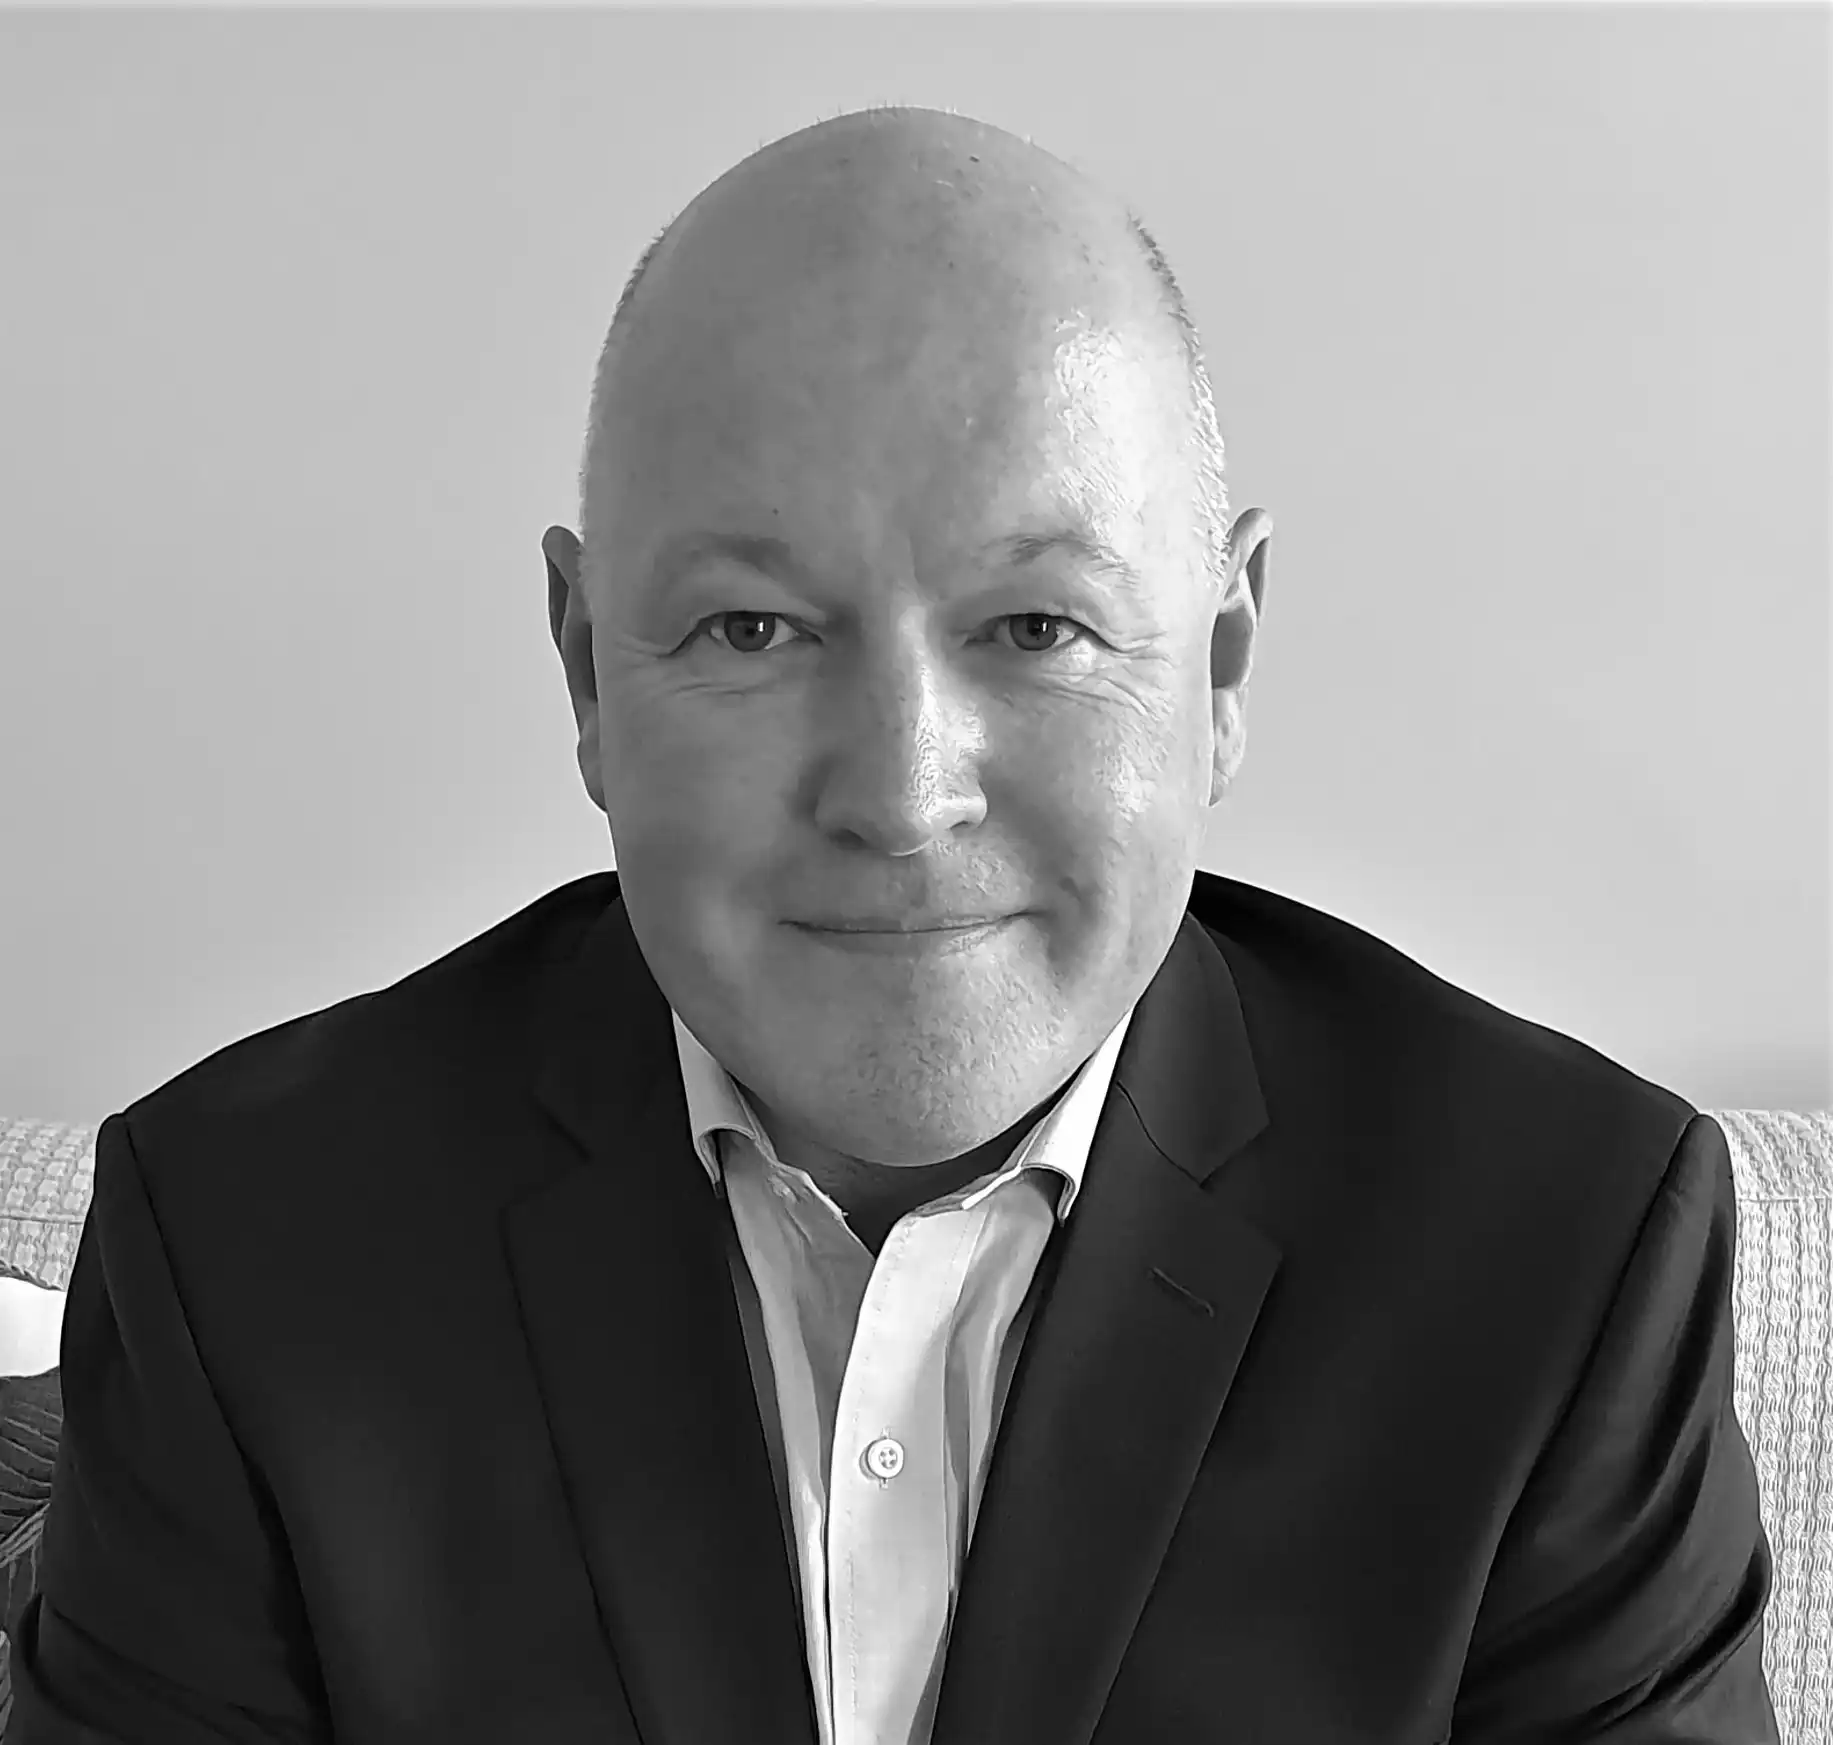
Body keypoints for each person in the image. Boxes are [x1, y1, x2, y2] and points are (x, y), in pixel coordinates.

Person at [11, 105, 1778, 1745]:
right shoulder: (243, 1248)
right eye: (753, 630)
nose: (904, 791)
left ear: (1221, 663)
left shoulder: (1564, 1257)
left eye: (1037, 628)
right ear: (586, 672)